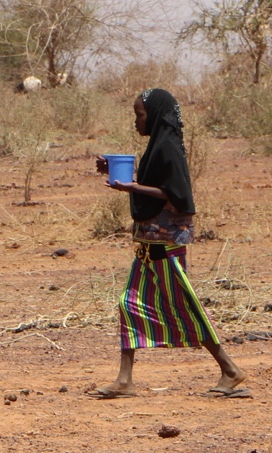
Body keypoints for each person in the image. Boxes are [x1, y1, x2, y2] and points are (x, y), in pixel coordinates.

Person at [92, 88, 248, 399]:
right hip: (149, 244)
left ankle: (230, 370)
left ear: (155, 114)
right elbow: (157, 185)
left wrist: (133, 186)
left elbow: (178, 195)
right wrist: (118, 175)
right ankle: (124, 380)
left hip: (165, 246)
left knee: (185, 307)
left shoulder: (168, 148)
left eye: (140, 115)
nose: (136, 121)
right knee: (130, 305)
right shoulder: (159, 146)